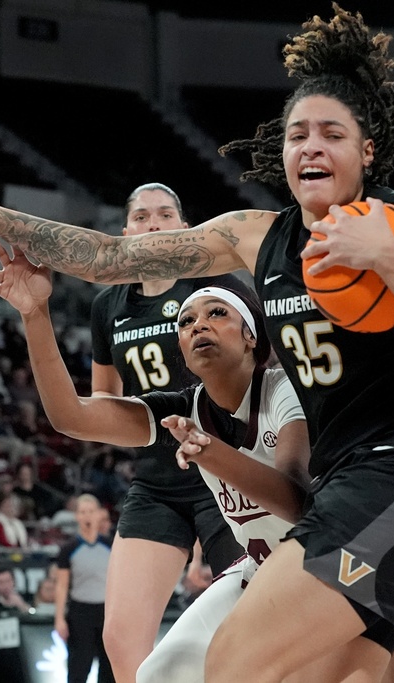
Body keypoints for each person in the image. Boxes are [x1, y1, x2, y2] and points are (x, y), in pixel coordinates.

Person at [0, 5, 394, 681]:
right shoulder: (256, 236)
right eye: (297, 134)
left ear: (367, 149)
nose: (311, 146)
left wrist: (391, 259)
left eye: (332, 133)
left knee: (234, 661)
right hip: (344, 483)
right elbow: (110, 258)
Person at [0, 242, 394, 682]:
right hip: (261, 570)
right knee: (161, 671)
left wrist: (214, 454)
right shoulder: (183, 408)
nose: (199, 325)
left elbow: (296, 502)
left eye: (217, 313)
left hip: (341, 564)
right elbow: (70, 416)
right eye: (187, 320)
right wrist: (34, 315)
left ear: (252, 336)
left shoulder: (286, 389)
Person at [83, 182, 247, 683]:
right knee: (121, 637)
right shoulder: (107, 306)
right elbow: (104, 404)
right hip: (157, 481)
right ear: (126, 231)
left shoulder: (218, 287)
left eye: (165, 214)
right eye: (142, 216)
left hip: (228, 470)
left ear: (184, 227)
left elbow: (260, 370)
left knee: (247, 623)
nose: (153, 224)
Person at [53, 493, 114, 683]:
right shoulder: (68, 549)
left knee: (108, 668)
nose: (87, 516)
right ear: (77, 516)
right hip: (80, 612)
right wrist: (59, 619)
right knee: (79, 667)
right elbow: (62, 586)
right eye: (82, 512)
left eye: (90, 511)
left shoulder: (111, 546)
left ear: (99, 514)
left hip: (106, 612)